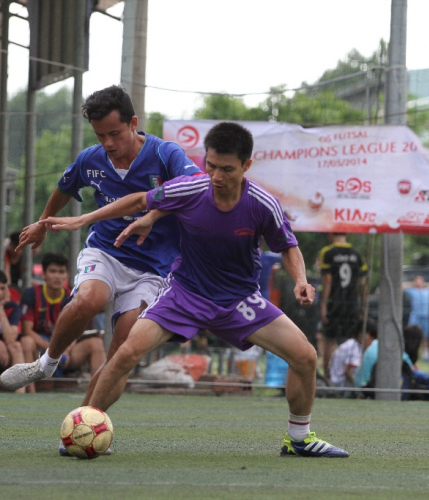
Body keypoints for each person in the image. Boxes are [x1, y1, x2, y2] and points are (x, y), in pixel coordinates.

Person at [46, 122, 349, 457]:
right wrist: (84, 219)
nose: (217, 176)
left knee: (305, 356)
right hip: (184, 295)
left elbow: (288, 246)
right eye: (211, 166)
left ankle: (299, 440)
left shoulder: (263, 204)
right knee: (126, 353)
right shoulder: (190, 188)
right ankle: (85, 428)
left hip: (238, 301)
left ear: (247, 166)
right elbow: (138, 200)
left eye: (227, 169)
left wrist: (301, 281)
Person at [0, 85, 201, 402]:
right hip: (106, 251)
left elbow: (196, 187)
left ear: (133, 123)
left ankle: (86, 422)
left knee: (121, 352)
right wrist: (42, 224)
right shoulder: (91, 160)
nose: (107, 143)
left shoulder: (166, 154)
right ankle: (46, 363)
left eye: (114, 133)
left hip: (154, 267)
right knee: (88, 301)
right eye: (99, 136)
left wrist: (153, 215)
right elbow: (64, 188)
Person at [19, 253, 106, 393]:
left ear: (67, 275)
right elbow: (27, 331)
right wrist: (53, 351)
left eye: (61, 272)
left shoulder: (74, 297)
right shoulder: (31, 294)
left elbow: (75, 331)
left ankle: (97, 396)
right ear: (44, 274)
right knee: (26, 341)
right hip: (40, 349)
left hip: (66, 350)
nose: (57, 276)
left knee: (95, 343)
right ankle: (30, 392)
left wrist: (64, 351)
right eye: (53, 271)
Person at [318, 233, 367, 381]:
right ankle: (352, 378)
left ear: (331, 234)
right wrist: (363, 303)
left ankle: (329, 379)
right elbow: (362, 283)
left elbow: (327, 280)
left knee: (330, 339)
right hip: (352, 303)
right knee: (353, 340)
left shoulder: (327, 252)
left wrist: (324, 304)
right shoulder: (357, 254)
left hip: (335, 302)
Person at [402, 275, 429, 360]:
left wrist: (424, 284)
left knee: (426, 336)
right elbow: (402, 286)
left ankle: (426, 355)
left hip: (425, 316)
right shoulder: (412, 290)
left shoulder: (427, 291)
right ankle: (411, 352)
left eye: (421, 280)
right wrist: (413, 284)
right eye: (417, 280)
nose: (419, 282)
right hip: (416, 316)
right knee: (412, 335)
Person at [327, 323, 362, 393]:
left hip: (334, 381)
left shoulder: (349, 343)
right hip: (340, 387)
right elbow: (347, 371)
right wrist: (360, 392)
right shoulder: (354, 346)